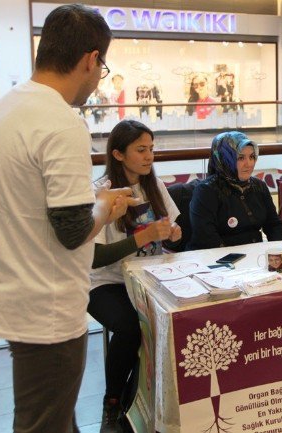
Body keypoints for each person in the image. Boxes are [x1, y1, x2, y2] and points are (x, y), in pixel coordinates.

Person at [0, 4, 137, 433]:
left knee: (53, 416)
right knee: (43, 423)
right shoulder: (61, 123)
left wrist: (91, 199)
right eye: (102, 66)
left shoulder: (6, 108)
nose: (99, 78)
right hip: (47, 307)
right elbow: (73, 230)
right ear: (91, 59)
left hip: (15, 293)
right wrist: (106, 206)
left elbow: (35, 202)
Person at [90, 120, 181, 432]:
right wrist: (143, 238)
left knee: (176, 317)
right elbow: (93, 258)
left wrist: (172, 233)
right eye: (141, 150)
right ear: (118, 154)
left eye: (151, 149)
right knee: (131, 326)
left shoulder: (154, 186)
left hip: (150, 278)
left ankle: (149, 395)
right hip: (107, 284)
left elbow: (172, 235)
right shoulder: (101, 194)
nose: (148, 156)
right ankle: (113, 400)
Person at [187, 131, 282, 250]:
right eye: (241, 158)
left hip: (253, 258)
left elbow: (274, 225)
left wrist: (278, 251)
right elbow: (207, 239)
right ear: (225, 159)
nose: (248, 164)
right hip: (217, 261)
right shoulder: (206, 191)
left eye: (252, 157)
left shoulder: (259, 186)